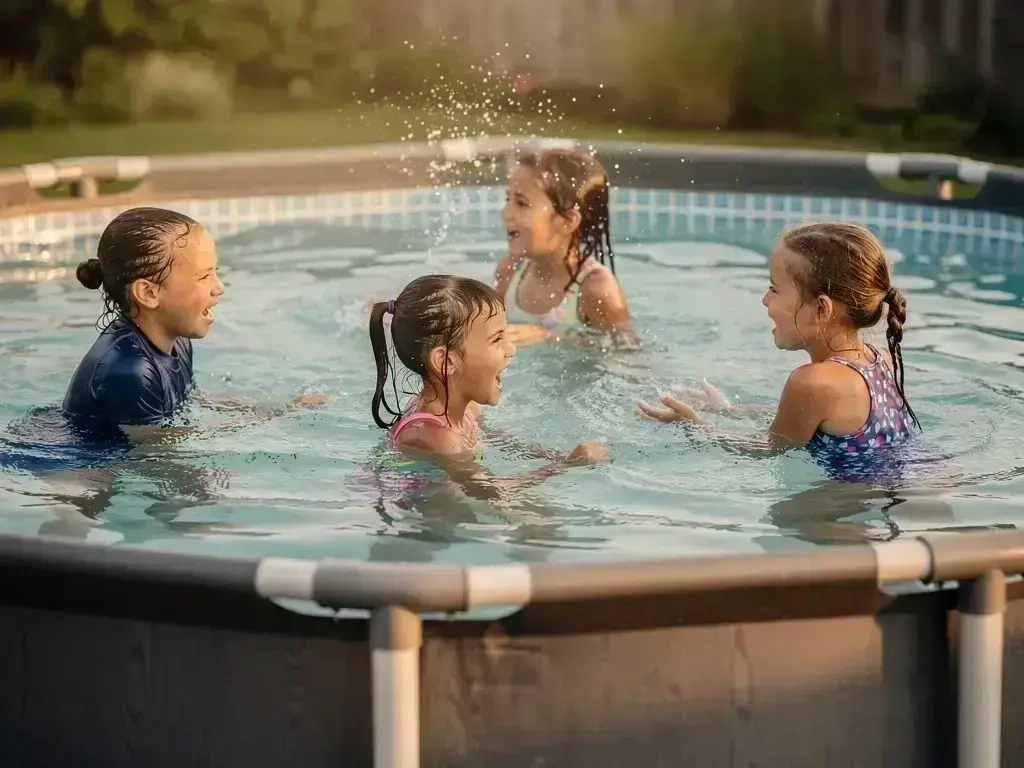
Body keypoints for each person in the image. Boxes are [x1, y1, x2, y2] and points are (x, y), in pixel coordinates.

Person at [638, 221, 919, 479]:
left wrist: (696, 427)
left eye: (774, 289)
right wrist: (730, 411)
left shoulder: (812, 382)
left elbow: (769, 449)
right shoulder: (881, 359)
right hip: (887, 491)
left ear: (821, 309)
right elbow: (813, 419)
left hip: (841, 507)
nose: (764, 299)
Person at [62, 206, 322, 437]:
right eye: (203, 277)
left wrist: (282, 408)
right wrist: (273, 421)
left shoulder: (177, 341)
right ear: (149, 293)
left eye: (215, 272)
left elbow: (191, 398)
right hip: (83, 466)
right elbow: (156, 450)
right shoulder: (129, 372)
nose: (219, 287)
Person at [368, 274, 607, 499]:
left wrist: (556, 456)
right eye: (496, 339)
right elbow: (489, 491)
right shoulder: (435, 437)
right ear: (446, 362)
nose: (511, 349)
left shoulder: (467, 409)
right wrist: (567, 466)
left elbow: (504, 443)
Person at [493, 148, 631, 347]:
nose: (506, 213)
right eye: (508, 200)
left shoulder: (595, 288)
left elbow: (626, 349)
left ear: (567, 221)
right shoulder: (509, 273)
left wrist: (550, 337)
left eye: (521, 204)